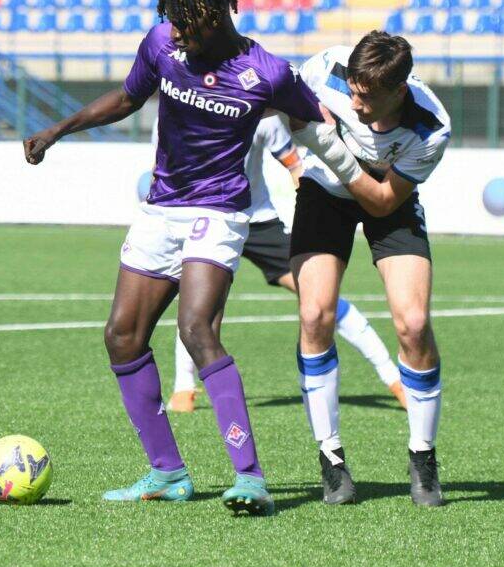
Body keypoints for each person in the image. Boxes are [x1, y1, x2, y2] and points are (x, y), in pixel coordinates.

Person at [23, 0, 328, 516]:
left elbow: (319, 122)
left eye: (185, 24)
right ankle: (166, 472)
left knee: (195, 328)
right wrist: (56, 131)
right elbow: (125, 98)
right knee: (121, 335)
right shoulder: (163, 44)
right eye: (172, 23)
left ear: (213, 17)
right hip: (162, 207)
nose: (175, 33)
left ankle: (250, 477)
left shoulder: (268, 72)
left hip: (220, 211)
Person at [287, 31, 452, 507]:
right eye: (353, 94)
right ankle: (331, 459)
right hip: (323, 194)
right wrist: (297, 151)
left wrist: (333, 151)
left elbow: (382, 203)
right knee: (315, 315)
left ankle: (422, 456)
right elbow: (282, 101)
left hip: (387, 198)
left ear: (399, 91)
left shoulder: (431, 125)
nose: (357, 106)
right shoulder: (328, 67)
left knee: (414, 324)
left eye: (369, 99)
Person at [165, 113, 408, 414]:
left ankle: (394, 380)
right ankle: (184, 389)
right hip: (205, 220)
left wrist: (311, 217)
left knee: (320, 297)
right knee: (194, 303)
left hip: (257, 221)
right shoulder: (180, 106)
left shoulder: (260, 111)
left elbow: (294, 164)